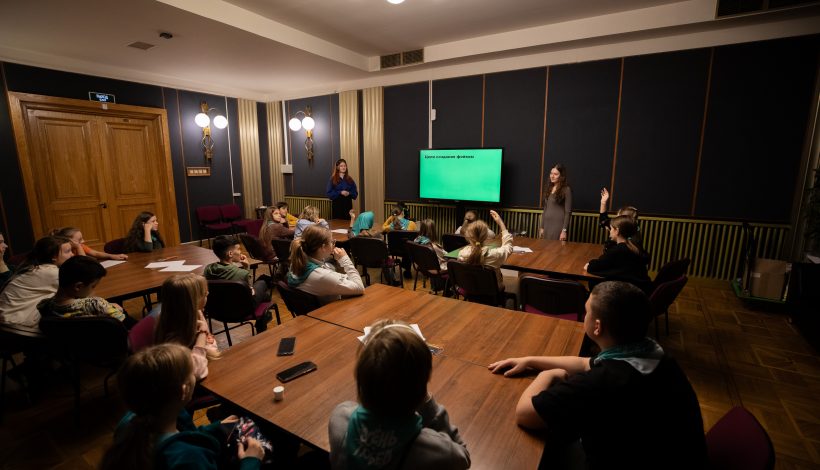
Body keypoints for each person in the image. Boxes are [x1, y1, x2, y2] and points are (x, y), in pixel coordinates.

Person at [488, 281, 706, 469]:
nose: (584, 315)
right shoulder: (653, 354)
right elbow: (585, 363)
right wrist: (530, 360)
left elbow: (525, 414)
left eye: (587, 311)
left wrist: (548, 374)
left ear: (597, 327)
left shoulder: (603, 383)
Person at [329, 319, 470, 470]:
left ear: (361, 380)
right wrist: (429, 406)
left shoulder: (341, 417)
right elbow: (463, 458)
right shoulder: (437, 451)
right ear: (421, 388)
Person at [99, 344, 264, 470]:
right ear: (183, 390)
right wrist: (251, 461)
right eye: (191, 373)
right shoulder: (190, 460)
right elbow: (183, 448)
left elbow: (180, 436)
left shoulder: (132, 422)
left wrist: (216, 428)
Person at [37, 256, 135, 327]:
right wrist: (108, 307)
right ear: (78, 286)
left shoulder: (44, 306)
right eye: (93, 286)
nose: (93, 290)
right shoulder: (96, 304)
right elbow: (133, 326)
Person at [154, 273, 220, 380]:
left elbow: (210, 345)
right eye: (204, 294)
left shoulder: (196, 313)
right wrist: (202, 333)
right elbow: (195, 372)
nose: (208, 294)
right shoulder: (174, 338)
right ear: (193, 302)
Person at [0, 235, 74, 327]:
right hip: (14, 327)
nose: (72, 255)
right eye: (68, 251)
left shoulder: (38, 268)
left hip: (9, 323)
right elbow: (84, 284)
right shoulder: (48, 272)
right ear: (54, 256)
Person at [203, 235, 271, 332]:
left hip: (216, 311)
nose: (240, 252)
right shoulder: (241, 274)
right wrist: (246, 267)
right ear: (230, 253)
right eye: (239, 249)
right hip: (240, 311)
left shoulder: (208, 269)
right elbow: (250, 292)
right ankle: (263, 321)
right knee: (262, 283)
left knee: (263, 292)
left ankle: (264, 317)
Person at [287, 225, 364, 305]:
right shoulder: (322, 275)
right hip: (332, 309)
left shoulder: (297, 262)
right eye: (332, 242)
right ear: (323, 247)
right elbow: (359, 287)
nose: (333, 245)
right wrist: (344, 259)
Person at [584, 216, 652, 294]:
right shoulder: (632, 246)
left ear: (617, 231)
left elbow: (595, 266)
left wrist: (589, 265)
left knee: (592, 283)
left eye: (611, 229)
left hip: (631, 293)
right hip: (639, 289)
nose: (610, 231)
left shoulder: (619, 250)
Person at [457, 210, 514, 291]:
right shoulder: (494, 255)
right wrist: (501, 223)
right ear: (486, 235)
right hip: (491, 293)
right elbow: (508, 247)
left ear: (468, 236)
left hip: (470, 291)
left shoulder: (462, 253)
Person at [598, 187, 642, 253]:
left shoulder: (631, 242)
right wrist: (603, 202)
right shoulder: (626, 226)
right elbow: (604, 222)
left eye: (618, 217)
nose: (616, 219)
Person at [52, 226, 128, 261]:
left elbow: (96, 253)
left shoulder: (81, 246)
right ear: (69, 241)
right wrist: (78, 247)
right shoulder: (64, 252)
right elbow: (84, 262)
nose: (83, 241)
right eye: (79, 240)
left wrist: (112, 256)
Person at [540, 163, 572, 240]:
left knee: (554, 246)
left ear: (561, 176)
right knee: (544, 246)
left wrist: (564, 231)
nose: (552, 176)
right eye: (551, 173)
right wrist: (542, 226)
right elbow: (545, 209)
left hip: (557, 225)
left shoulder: (566, 190)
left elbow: (568, 212)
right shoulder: (549, 188)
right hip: (547, 225)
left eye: (555, 174)